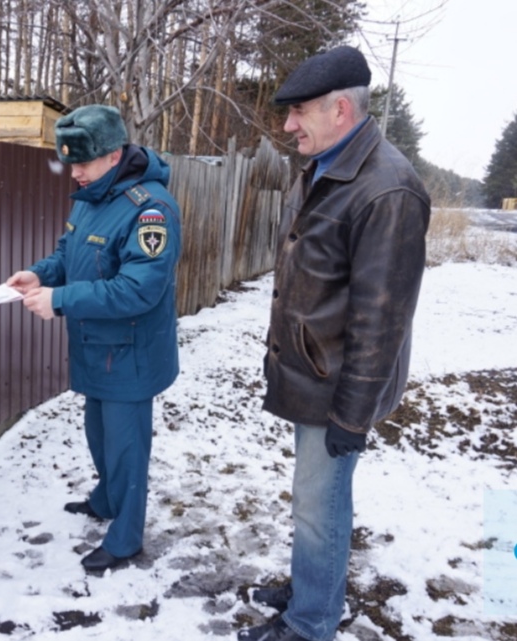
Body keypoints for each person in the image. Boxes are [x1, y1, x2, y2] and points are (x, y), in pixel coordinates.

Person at [239, 47, 430, 641]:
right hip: (312, 371)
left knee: (319, 506)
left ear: (340, 109)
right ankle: (312, 587)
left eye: (299, 112)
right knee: (312, 500)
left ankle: (311, 622)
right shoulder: (327, 165)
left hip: (337, 387)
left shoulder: (388, 189)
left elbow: (382, 318)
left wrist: (352, 415)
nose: (288, 125)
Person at [6, 105, 182, 573]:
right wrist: (39, 274)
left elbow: (139, 290)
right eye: (70, 163)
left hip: (130, 355)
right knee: (99, 436)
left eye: (82, 162)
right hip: (95, 348)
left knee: (126, 450)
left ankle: (125, 538)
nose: (75, 173)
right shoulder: (90, 197)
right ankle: (105, 499)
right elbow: (68, 253)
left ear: (114, 155)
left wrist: (60, 299)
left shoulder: (151, 210)